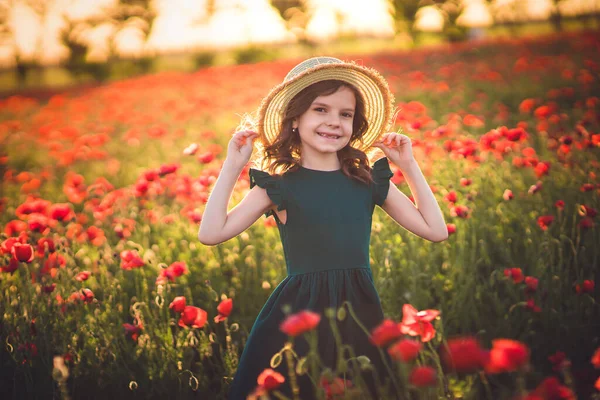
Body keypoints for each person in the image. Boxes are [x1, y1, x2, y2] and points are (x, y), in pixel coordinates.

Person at [198, 57, 449, 399]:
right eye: (321, 109)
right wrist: (232, 166)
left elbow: (436, 230)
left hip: (359, 314)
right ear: (295, 118)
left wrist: (409, 165)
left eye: (345, 114)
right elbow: (210, 234)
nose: (334, 122)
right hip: (299, 319)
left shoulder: (366, 180)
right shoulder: (278, 186)